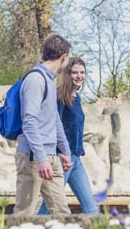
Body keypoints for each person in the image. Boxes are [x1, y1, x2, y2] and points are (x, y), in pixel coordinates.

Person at [13, 34, 73, 216]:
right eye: (68, 58)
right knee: (24, 214)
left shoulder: (49, 80)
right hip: (33, 157)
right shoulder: (35, 80)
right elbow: (29, 122)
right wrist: (41, 158)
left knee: (62, 214)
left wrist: (65, 150)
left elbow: (54, 119)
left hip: (50, 157)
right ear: (64, 56)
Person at [38, 57, 99, 214]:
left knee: (91, 207)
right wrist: (59, 154)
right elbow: (52, 126)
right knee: (50, 205)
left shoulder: (76, 98)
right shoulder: (59, 97)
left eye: (82, 72)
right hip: (62, 159)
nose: (79, 76)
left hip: (76, 159)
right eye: (74, 72)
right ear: (67, 74)